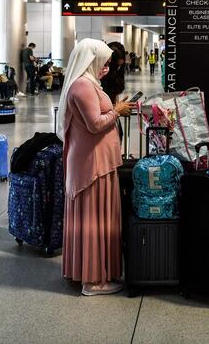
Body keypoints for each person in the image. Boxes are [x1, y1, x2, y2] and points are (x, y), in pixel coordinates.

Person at [56, 39, 134, 296]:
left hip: (96, 162)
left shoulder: (87, 84)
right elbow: (95, 124)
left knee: (93, 218)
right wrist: (118, 110)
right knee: (94, 220)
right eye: (103, 63)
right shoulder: (82, 87)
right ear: (90, 61)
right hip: (93, 166)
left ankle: (89, 272)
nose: (107, 68)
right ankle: (93, 280)